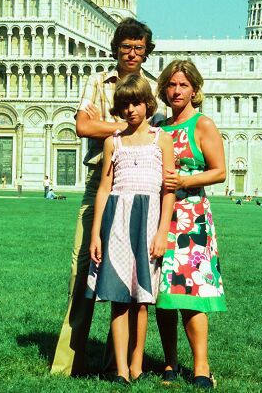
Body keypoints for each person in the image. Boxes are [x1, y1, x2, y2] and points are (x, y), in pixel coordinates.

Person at [51, 18, 157, 376]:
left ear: (146, 52)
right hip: (100, 180)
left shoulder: (152, 86)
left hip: (140, 186)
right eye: (126, 46)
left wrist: (108, 125)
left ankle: (119, 365)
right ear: (116, 48)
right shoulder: (98, 81)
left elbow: (154, 136)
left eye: (138, 48)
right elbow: (82, 125)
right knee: (81, 270)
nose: (132, 53)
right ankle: (66, 365)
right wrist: (128, 128)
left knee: (127, 278)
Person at [86, 74, 176, 385]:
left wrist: (163, 232)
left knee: (142, 299)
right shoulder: (114, 142)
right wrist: (96, 232)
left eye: (136, 103)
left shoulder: (160, 139)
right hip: (117, 220)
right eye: (125, 105)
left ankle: (137, 364)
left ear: (149, 104)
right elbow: (104, 188)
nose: (131, 110)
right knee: (118, 297)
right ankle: (120, 369)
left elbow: (168, 189)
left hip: (149, 221)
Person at [155, 60, 227, 390]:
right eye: (171, 84)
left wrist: (187, 178)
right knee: (163, 293)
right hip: (159, 216)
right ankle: (169, 363)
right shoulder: (158, 127)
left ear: (194, 90)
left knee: (192, 292)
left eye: (183, 85)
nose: (177, 90)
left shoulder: (203, 125)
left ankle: (201, 365)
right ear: (163, 90)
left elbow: (219, 171)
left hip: (191, 217)